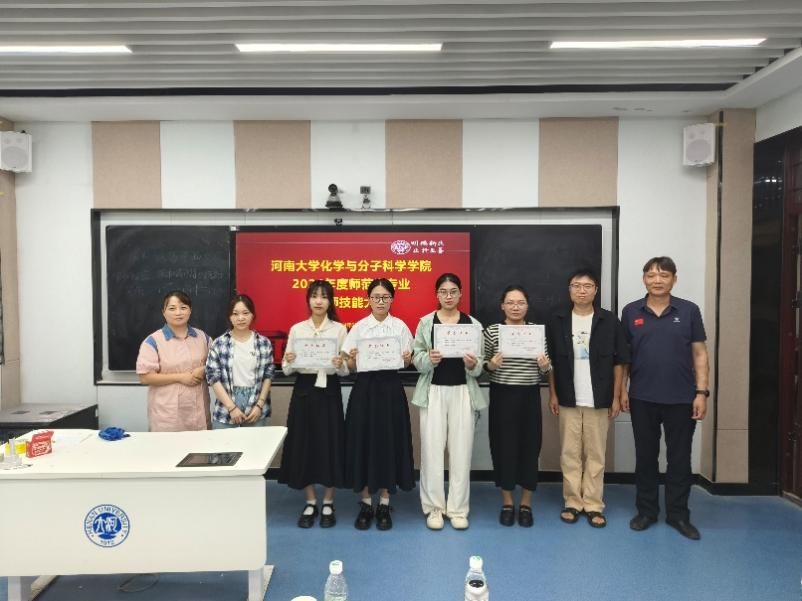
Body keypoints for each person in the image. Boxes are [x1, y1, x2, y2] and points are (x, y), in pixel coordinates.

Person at [621, 256, 709, 540]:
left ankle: (678, 515)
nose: (657, 280)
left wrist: (702, 393)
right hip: (642, 397)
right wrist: (622, 390)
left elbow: (700, 354)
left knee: (679, 459)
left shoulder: (689, 310)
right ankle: (646, 512)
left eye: (664, 275)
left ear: (674, 279)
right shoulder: (630, 311)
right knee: (645, 457)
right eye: (651, 275)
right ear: (644, 279)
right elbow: (624, 357)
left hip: (682, 398)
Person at [546, 270, 629, 528]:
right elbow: (551, 362)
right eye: (576, 285)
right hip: (568, 397)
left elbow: (619, 362)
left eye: (587, 286)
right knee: (569, 453)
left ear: (595, 290)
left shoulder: (609, 321)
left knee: (596, 454)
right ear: (569, 290)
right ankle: (572, 501)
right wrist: (553, 393)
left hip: (600, 398)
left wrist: (617, 395)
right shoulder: (558, 320)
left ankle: (593, 504)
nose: (582, 290)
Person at [412, 273, 485, 531]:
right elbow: (416, 358)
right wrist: (428, 360)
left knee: (461, 452)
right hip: (433, 392)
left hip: (463, 392)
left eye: (453, 291)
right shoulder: (426, 323)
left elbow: (480, 366)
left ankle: (457, 509)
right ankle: (434, 508)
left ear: (461, 293)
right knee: (431, 452)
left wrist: (473, 365)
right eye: (443, 292)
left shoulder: (473, 324)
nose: (448, 296)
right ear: (437, 295)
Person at [342, 278, 415, 531]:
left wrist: (407, 359)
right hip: (365, 390)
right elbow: (349, 365)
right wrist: (352, 360)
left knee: (389, 442)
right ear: (369, 300)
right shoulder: (359, 328)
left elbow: (407, 362)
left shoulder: (400, 326)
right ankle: (365, 503)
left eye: (385, 297)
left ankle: (384, 502)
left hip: (391, 390)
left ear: (392, 299)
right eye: (376, 297)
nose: (380, 301)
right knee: (362, 442)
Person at [279, 280, 349, 529]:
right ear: (308, 300)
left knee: (330, 444)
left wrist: (340, 364)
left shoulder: (339, 330)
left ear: (330, 301)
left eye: (324, 296)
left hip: (329, 390)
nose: (319, 301)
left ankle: (328, 502)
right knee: (303, 444)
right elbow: (286, 369)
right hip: (304, 391)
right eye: (314, 296)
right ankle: (310, 501)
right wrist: (289, 359)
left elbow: (346, 371)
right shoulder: (297, 329)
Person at [483, 285, 551, 528]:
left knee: (530, 448)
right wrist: (490, 365)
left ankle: (526, 504)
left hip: (529, 395)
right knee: (503, 448)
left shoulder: (536, 332)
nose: (515, 307)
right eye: (510, 302)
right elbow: (481, 366)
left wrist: (544, 366)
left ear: (527, 306)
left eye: (520, 302)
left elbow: (547, 370)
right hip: (502, 395)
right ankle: (507, 502)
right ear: (502, 306)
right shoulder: (492, 331)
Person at [136, 290, 211, 432]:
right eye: (172, 308)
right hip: (167, 415)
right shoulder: (153, 341)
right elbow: (145, 377)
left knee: (200, 445)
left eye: (183, 307)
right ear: (163, 312)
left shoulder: (203, 338)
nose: (178, 313)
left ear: (190, 310)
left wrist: (203, 369)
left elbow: (216, 365)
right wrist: (180, 377)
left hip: (198, 413)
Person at [205, 294, 274, 430]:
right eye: (235, 314)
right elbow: (213, 378)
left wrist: (259, 405)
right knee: (223, 444)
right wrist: (231, 408)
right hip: (226, 406)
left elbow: (268, 375)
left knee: (255, 444)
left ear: (252, 315)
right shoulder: (219, 343)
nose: (240, 318)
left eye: (245, 313)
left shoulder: (263, 343)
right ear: (229, 316)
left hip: (256, 405)